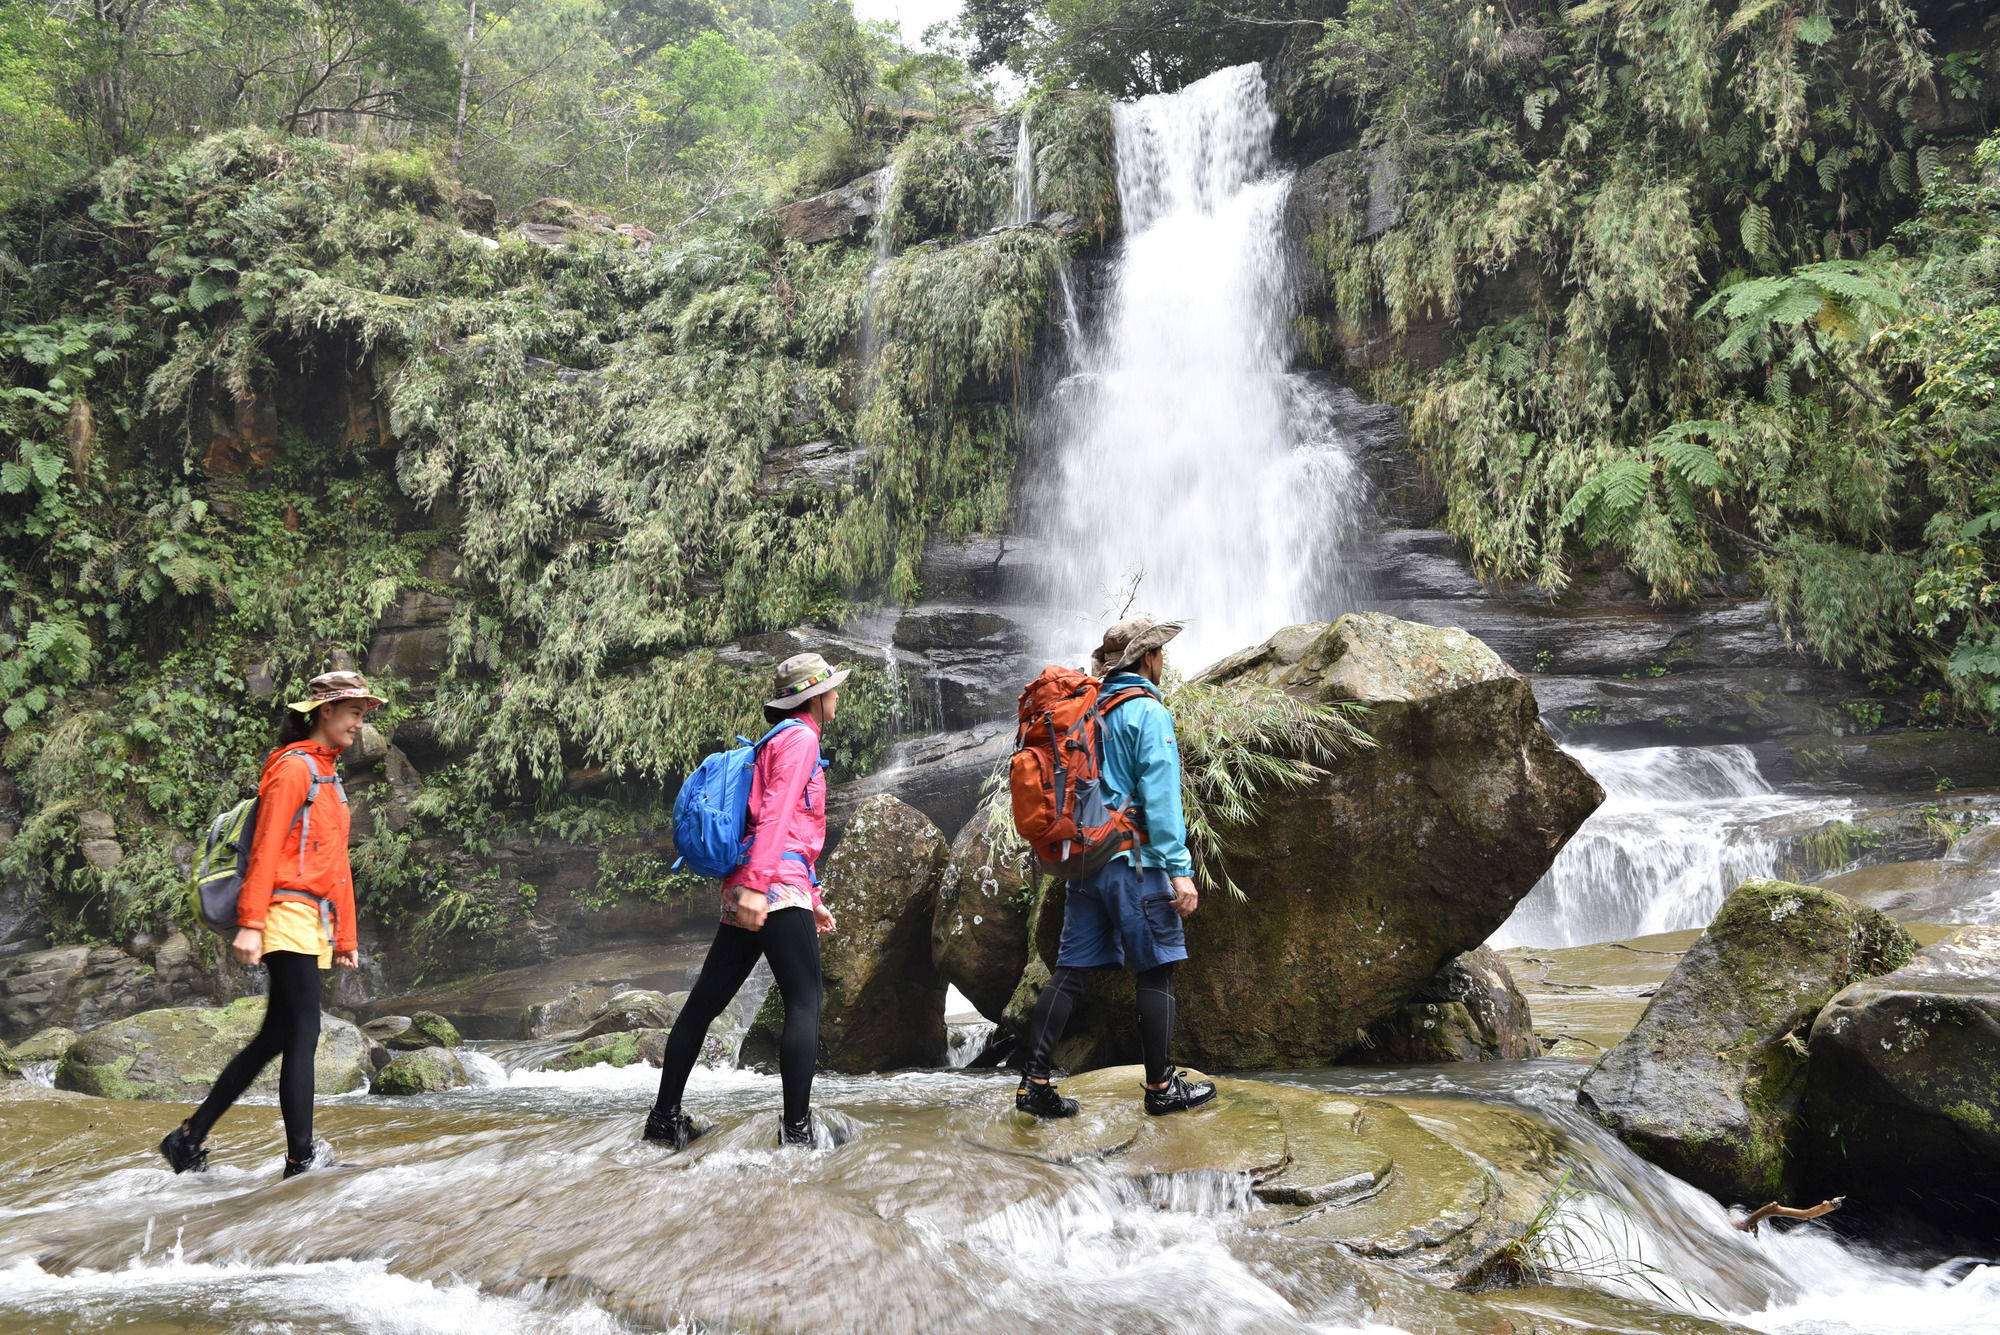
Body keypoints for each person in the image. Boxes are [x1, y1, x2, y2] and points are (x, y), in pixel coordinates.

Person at [159, 670, 378, 1178]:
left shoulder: (330, 777)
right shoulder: (294, 769)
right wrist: (252, 922)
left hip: (310, 917)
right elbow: (265, 848)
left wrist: (346, 936)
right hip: (283, 913)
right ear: (325, 711)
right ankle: (301, 1159)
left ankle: (187, 1137)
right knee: (305, 1030)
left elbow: (337, 864)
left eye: (363, 714)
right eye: (353, 712)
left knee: (276, 1037)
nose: (359, 723)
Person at [1016, 616, 1217, 1119]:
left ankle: (1034, 1085)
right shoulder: (1146, 712)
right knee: (1156, 969)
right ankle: (1161, 1088)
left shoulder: (1085, 708)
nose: (1163, 661)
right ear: (1147, 659)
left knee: (1069, 973)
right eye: (1159, 653)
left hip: (1087, 864)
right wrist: (1178, 868)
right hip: (1135, 863)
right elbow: (1161, 795)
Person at [645, 652, 844, 1150]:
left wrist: (812, 897)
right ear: (814, 698)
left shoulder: (773, 741)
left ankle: (663, 1121)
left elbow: (790, 824)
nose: (838, 696)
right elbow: (777, 817)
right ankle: (796, 1135)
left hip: (755, 883)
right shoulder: (801, 738)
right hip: (769, 883)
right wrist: (762, 885)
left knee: (703, 1005)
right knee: (805, 1002)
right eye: (833, 689)